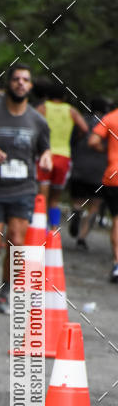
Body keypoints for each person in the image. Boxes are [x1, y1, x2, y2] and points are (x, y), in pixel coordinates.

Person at [0, 64, 52, 313]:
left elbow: (44, 147)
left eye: (26, 80)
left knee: (16, 242)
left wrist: (46, 156)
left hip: (23, 189)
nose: (21, 83)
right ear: (9, 84)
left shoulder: (38, 120)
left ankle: (5, 291)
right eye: (16, 79)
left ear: (31, 86)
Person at [36, 83, 89, 224]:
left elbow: (31, 124)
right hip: (63, 156)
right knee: (54, 199)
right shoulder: (71, 110)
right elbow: (84, 128)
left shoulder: (43, 108)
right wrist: (75, 139)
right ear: (64, 97)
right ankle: (53, 229)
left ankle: (41, 227)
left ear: (48, 96)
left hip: (45, 155)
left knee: (42, 197)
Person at [69, 97, 109, 249]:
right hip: (100, 170)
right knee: (95, 205)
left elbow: (72, 141)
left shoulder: (82, 120)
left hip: (79, 166)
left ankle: (76, 212)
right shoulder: (109, 123)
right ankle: (82, 237)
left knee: (78, 200)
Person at [89, 103, 118, 281]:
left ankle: (117, 264)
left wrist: (107, 151)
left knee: (117, 219)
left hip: (114, 175)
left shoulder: (111, 117)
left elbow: (93, 141)